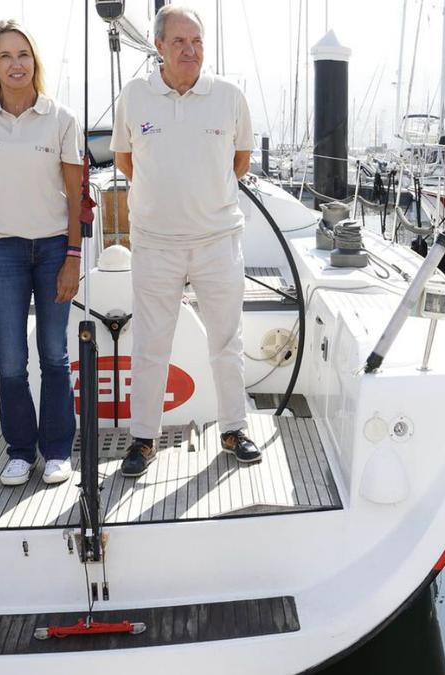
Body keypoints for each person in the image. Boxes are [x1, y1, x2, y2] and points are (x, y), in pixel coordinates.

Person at [110, 4, 260, 475]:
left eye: (196, 41)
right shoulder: (135, 95)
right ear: (158, 46)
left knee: (227, 341)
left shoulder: (229, 95)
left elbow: (239, 161)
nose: (190, 50)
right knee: (152, 345)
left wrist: (202, 201)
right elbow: (124, 160)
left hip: (217, 239)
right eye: (179, 42)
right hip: (155, 243)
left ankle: (234, 429)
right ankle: (143, 440)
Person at [0, 19, 83, 486]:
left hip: (53, 247)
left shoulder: (60, 117)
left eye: (23, 55)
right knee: (10, 359)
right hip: (0, 250)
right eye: (6, 56)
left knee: (54, 353)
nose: (16, 64)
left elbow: (76, 196)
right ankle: (19, 451)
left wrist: (73, 256)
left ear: (35, 62)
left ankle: (56, 452)